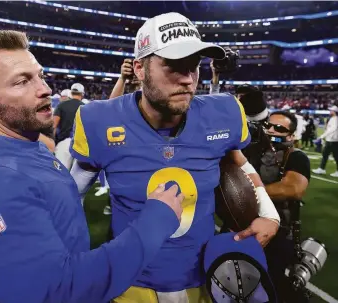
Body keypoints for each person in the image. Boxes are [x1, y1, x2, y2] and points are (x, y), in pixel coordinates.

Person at [0, 30, 185, 303]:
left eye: (40, 76)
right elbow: (59, 291)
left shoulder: (29, 148)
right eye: (22, 82)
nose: (44, 89)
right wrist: (155, 221)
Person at [70, 12, 280, 302]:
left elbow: (239, 162)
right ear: (141, 69)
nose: (188, 79)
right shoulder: (99, 119)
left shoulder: (224, 113)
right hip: (130, 281)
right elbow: (73, 194)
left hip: (205, 279)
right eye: (174, 66)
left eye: (193, 66)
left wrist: (271, 215)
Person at [258, 111, 310, 302]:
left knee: (273, 285)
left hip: (279, 233)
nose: (271, 130)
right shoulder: (255, 151)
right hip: (244, 226)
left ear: (291, 135)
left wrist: (251, 192)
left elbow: (293, 188)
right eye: (268, 126)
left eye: (279, 128)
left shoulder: (296, 157)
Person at [53, 83, 85, 169]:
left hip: (64, 143)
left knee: (61, 173)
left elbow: (53, 126)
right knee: (78, 178)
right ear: (82, 94)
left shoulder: (62, 105)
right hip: (81, 145)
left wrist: (51, 143)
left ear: (71, 93)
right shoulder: (86, 107)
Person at [312, 105, 338, 177]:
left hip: (332, 140)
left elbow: (333, 129)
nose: (330, 111)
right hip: (331, 140)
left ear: (334, 111)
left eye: (331, 110)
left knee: (333, 156)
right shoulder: (333, 118)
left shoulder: (335, 119)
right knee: (326, 155)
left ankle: (322, 169)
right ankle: (321, 169)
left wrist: (322, 136)